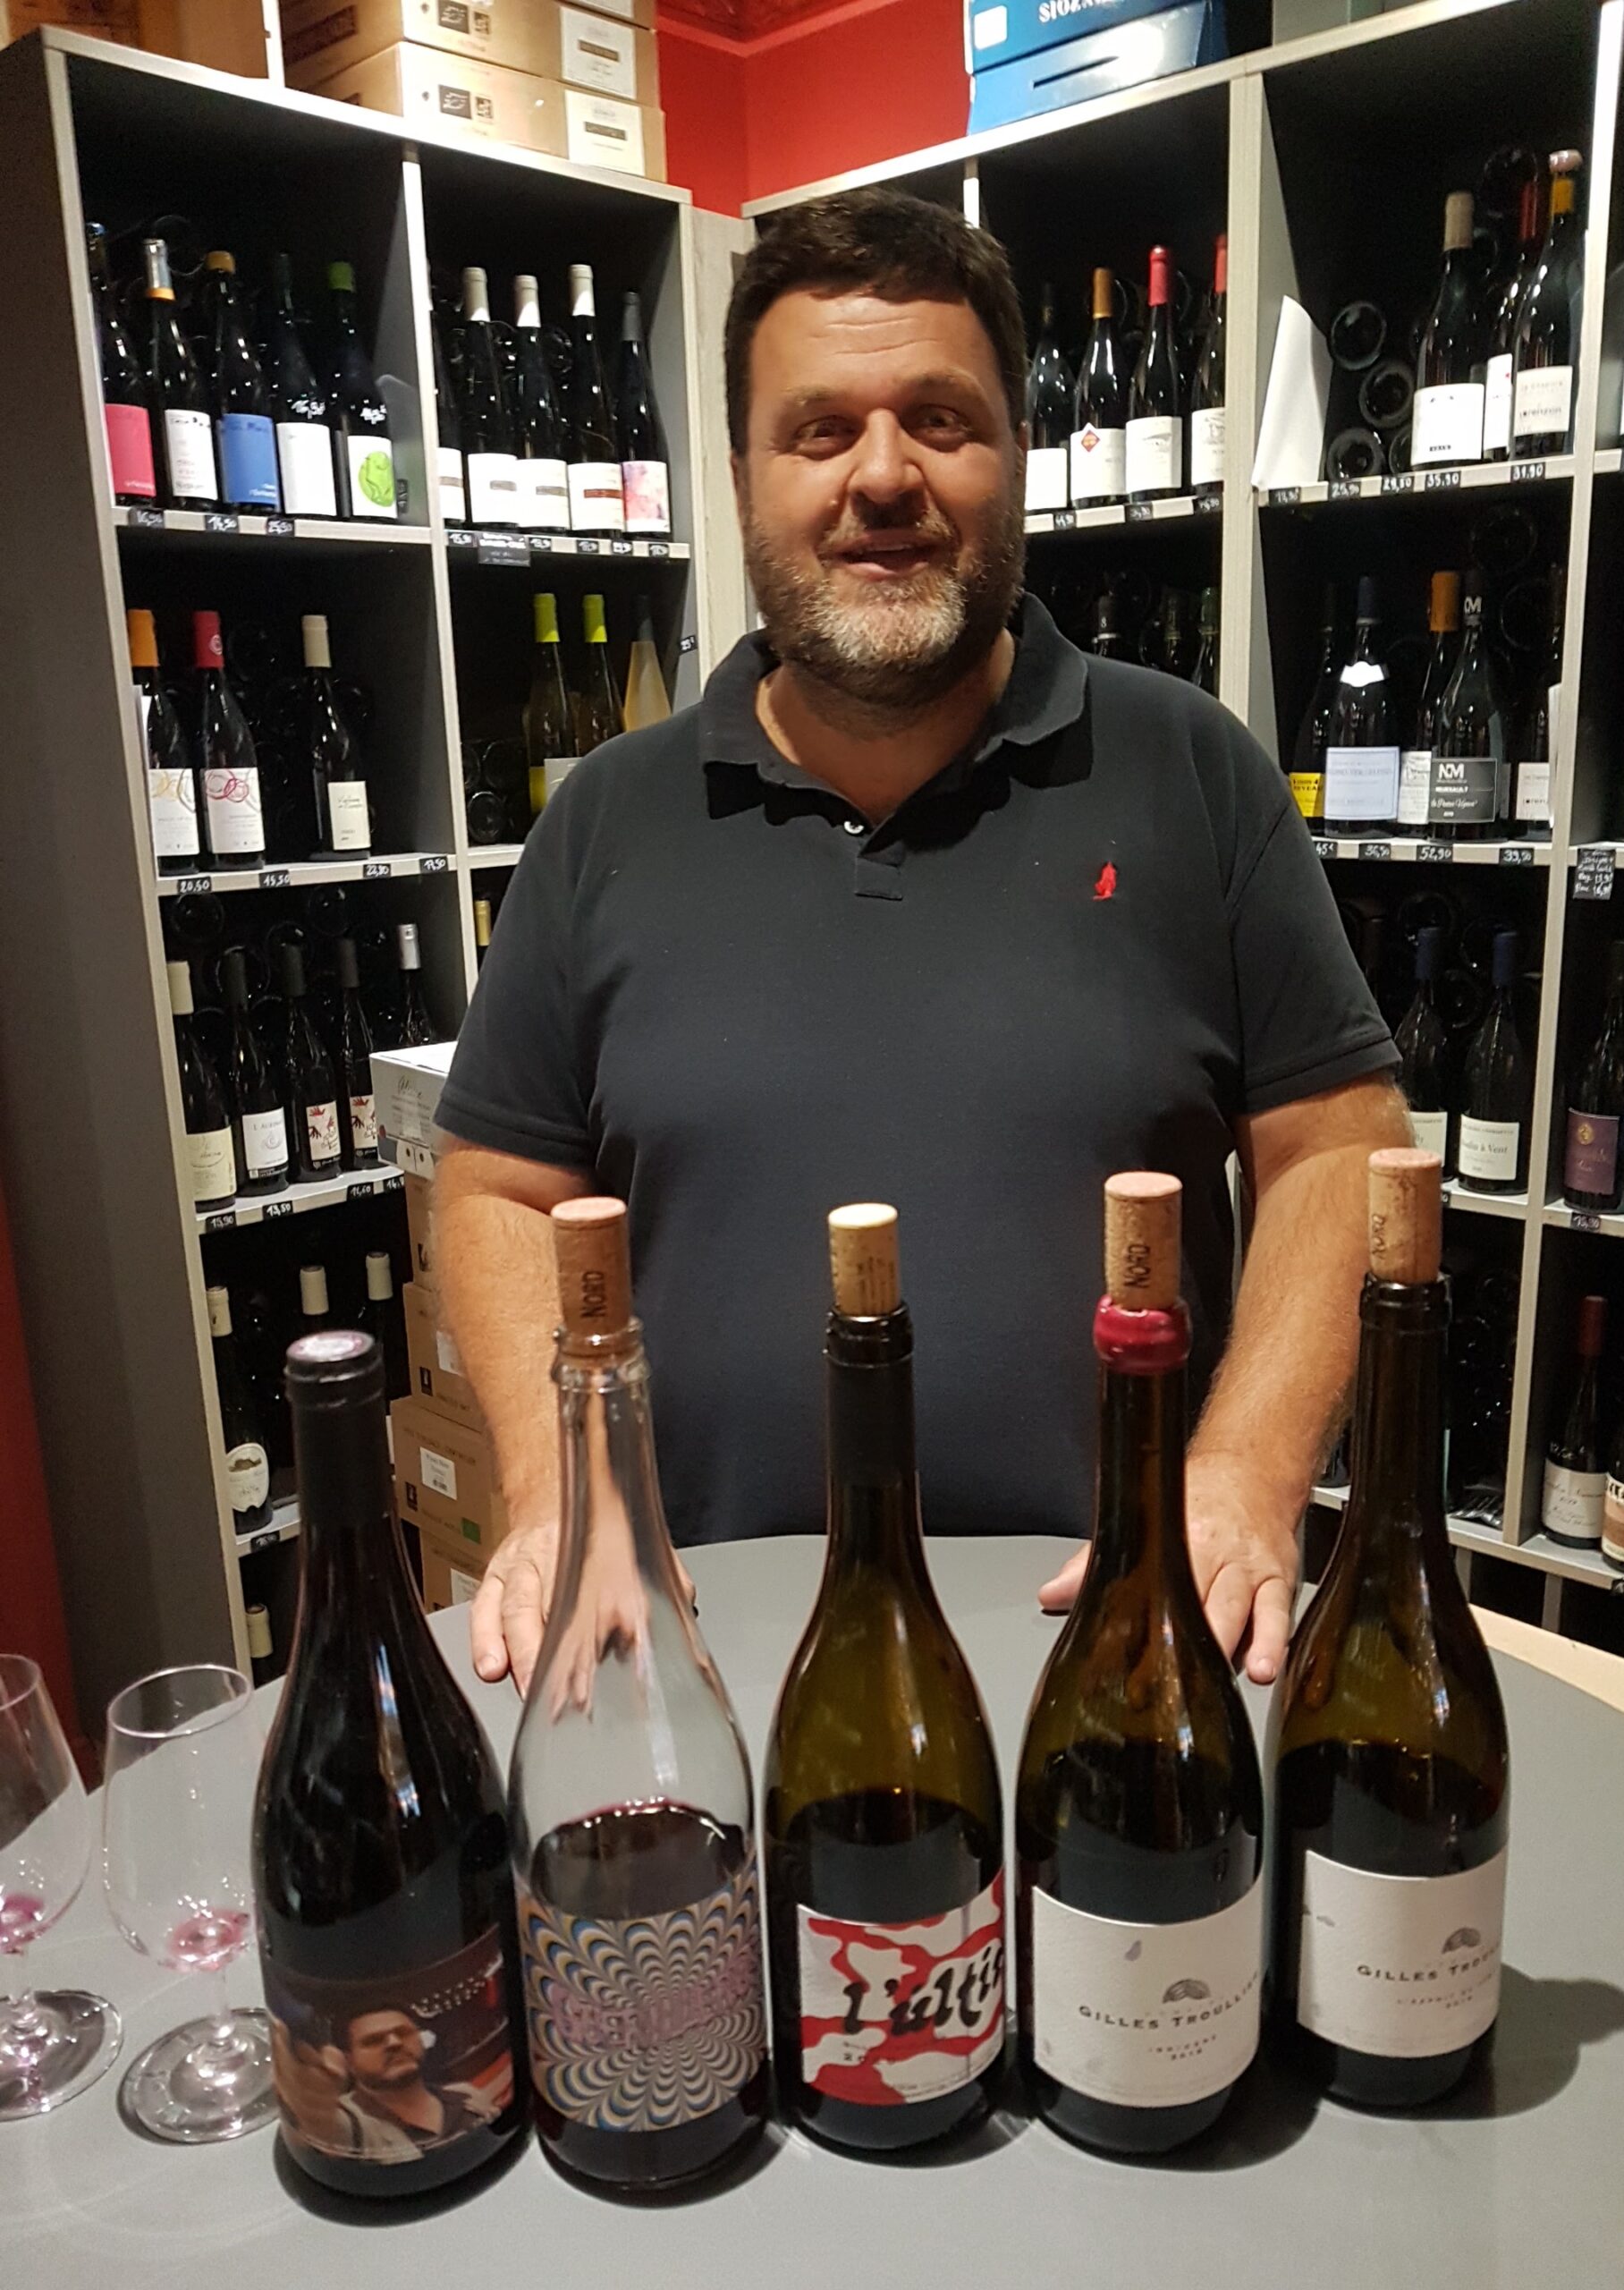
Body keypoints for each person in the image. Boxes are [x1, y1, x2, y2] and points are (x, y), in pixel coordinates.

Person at [434, 190, 1408, 1697]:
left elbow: (1339, 1151)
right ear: (743, 477)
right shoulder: (605, 820)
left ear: (1018, 447)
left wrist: (1246, 1472)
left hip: (1124, 1650)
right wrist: (559, 1486)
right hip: (701, 1653)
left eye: (940, 420)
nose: (882, 476)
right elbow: (500, 1189)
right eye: (819, 430)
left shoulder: (1193, 771)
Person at [270, 2003, 505, 2163]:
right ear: (349, 2060)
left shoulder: (467, 2096)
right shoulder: (353, 2120)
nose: (394, 2043)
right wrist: (314, 2107)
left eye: (404, 2033)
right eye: (373, 2041)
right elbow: (326, 2127)